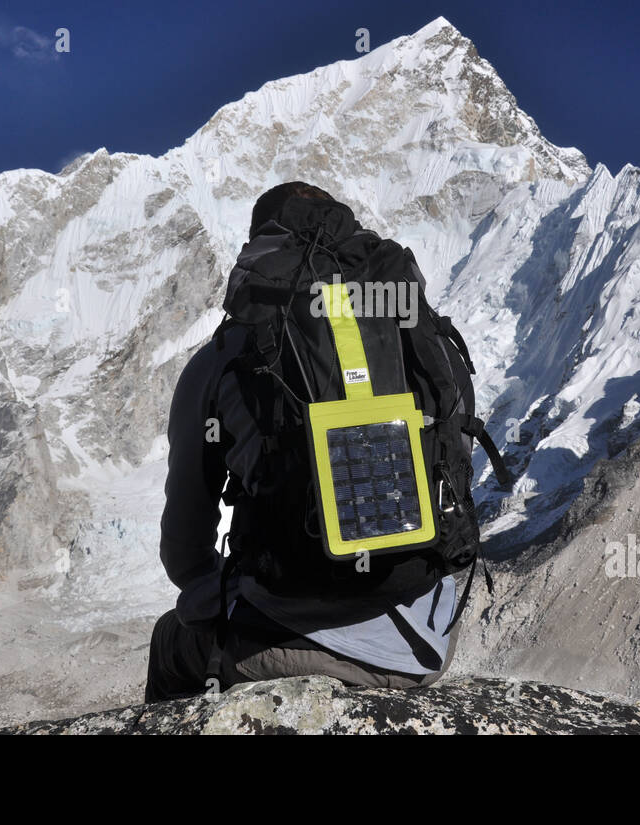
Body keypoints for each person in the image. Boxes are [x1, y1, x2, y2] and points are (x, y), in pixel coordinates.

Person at [145, 181, 505, 703]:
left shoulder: (223, 356)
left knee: (170, 640)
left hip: (284, 639)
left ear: (261, 250)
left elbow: (185, 556)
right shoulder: (420, 333)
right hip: (422, 644)